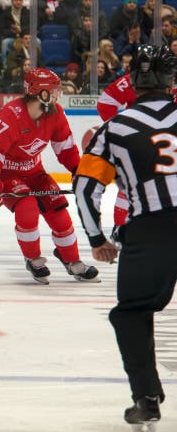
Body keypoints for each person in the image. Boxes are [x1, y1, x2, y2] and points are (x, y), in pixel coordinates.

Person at [73, 44, 177, 430]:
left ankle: (146, 398)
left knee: (132, 313)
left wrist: (99, 239)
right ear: (171, 80)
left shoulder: (115, 128)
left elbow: (85, 189)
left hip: (150, 230)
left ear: (133, 80)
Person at [0, 67, 100, 284]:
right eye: (54, 91)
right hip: (7, 174)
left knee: (58, 212)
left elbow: (66, 148)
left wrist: (77, 171)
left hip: (35, 172)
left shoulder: (56, 113)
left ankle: (72, 260)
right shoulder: (12, 114)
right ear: (43, 93)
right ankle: (33, 259)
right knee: (27, 209)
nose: (57, 94)